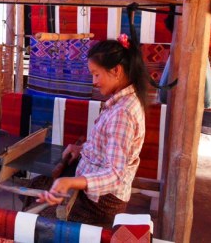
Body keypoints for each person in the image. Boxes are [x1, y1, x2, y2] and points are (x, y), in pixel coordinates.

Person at [34, 34, 149, 228]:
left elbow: (114, 174)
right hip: (96, 195)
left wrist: (70, 182)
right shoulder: (121, 102)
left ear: (116, 71)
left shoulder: (123, 113)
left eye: (96, 74)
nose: (93, 81)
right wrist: (82, 150)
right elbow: (108, 147)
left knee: (41, 225)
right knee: (38, 186)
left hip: (99, 204)